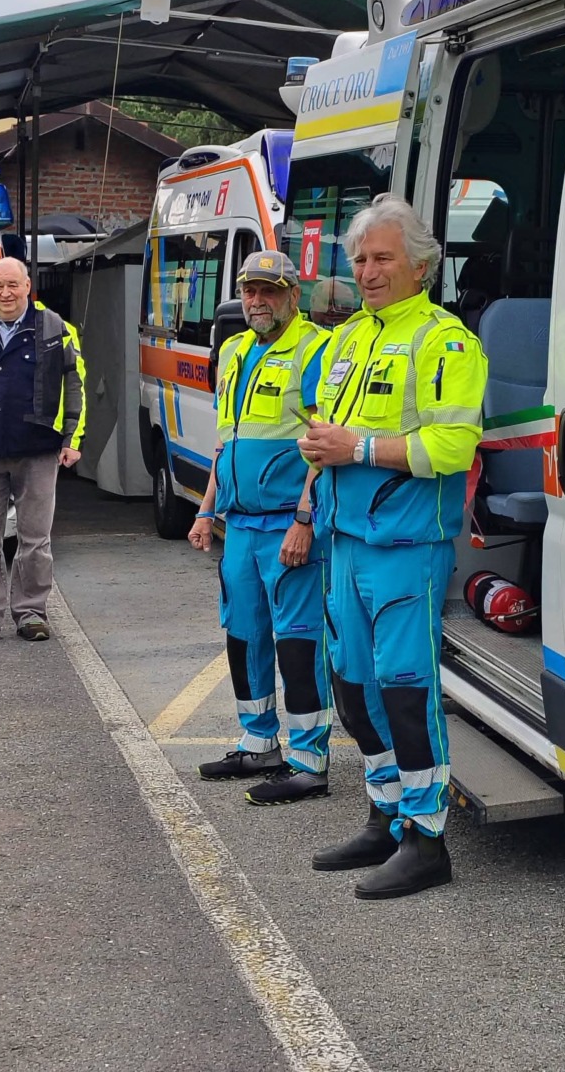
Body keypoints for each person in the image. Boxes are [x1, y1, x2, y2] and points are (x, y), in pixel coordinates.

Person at [301, 194, 488, 899]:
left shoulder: (446, 342)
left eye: (382, 258)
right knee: (352, 687)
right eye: (359, 258)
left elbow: (452, 444)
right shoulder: (349, 338)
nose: (368, 271)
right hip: (345, 539)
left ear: (419, 265)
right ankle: (383, 812)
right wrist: (318, 449)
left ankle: (427, 836)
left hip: (407, 542)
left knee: (407, 693)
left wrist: (360, 447)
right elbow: (329, 425)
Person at [189, 250, 334, 807]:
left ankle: (308, 758)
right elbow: (225, 441)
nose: (257, 301)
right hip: (240, 527)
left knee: (297, 640)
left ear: (293, 295)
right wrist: (206, 510)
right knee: (243, 632)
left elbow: (324, 447)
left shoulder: (315, 349)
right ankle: (257, 742)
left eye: (269, 291)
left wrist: (305, 519)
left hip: (288, 524)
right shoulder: (233, 350)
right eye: (250, 291)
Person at [0, 257, 86, 645]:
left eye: (12, 285)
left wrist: (73, 438)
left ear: (27, 285)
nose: (5, 293)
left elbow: (76, 385)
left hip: (38, 450)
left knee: (35, 539)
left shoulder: (55, 328)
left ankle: (31, 613)